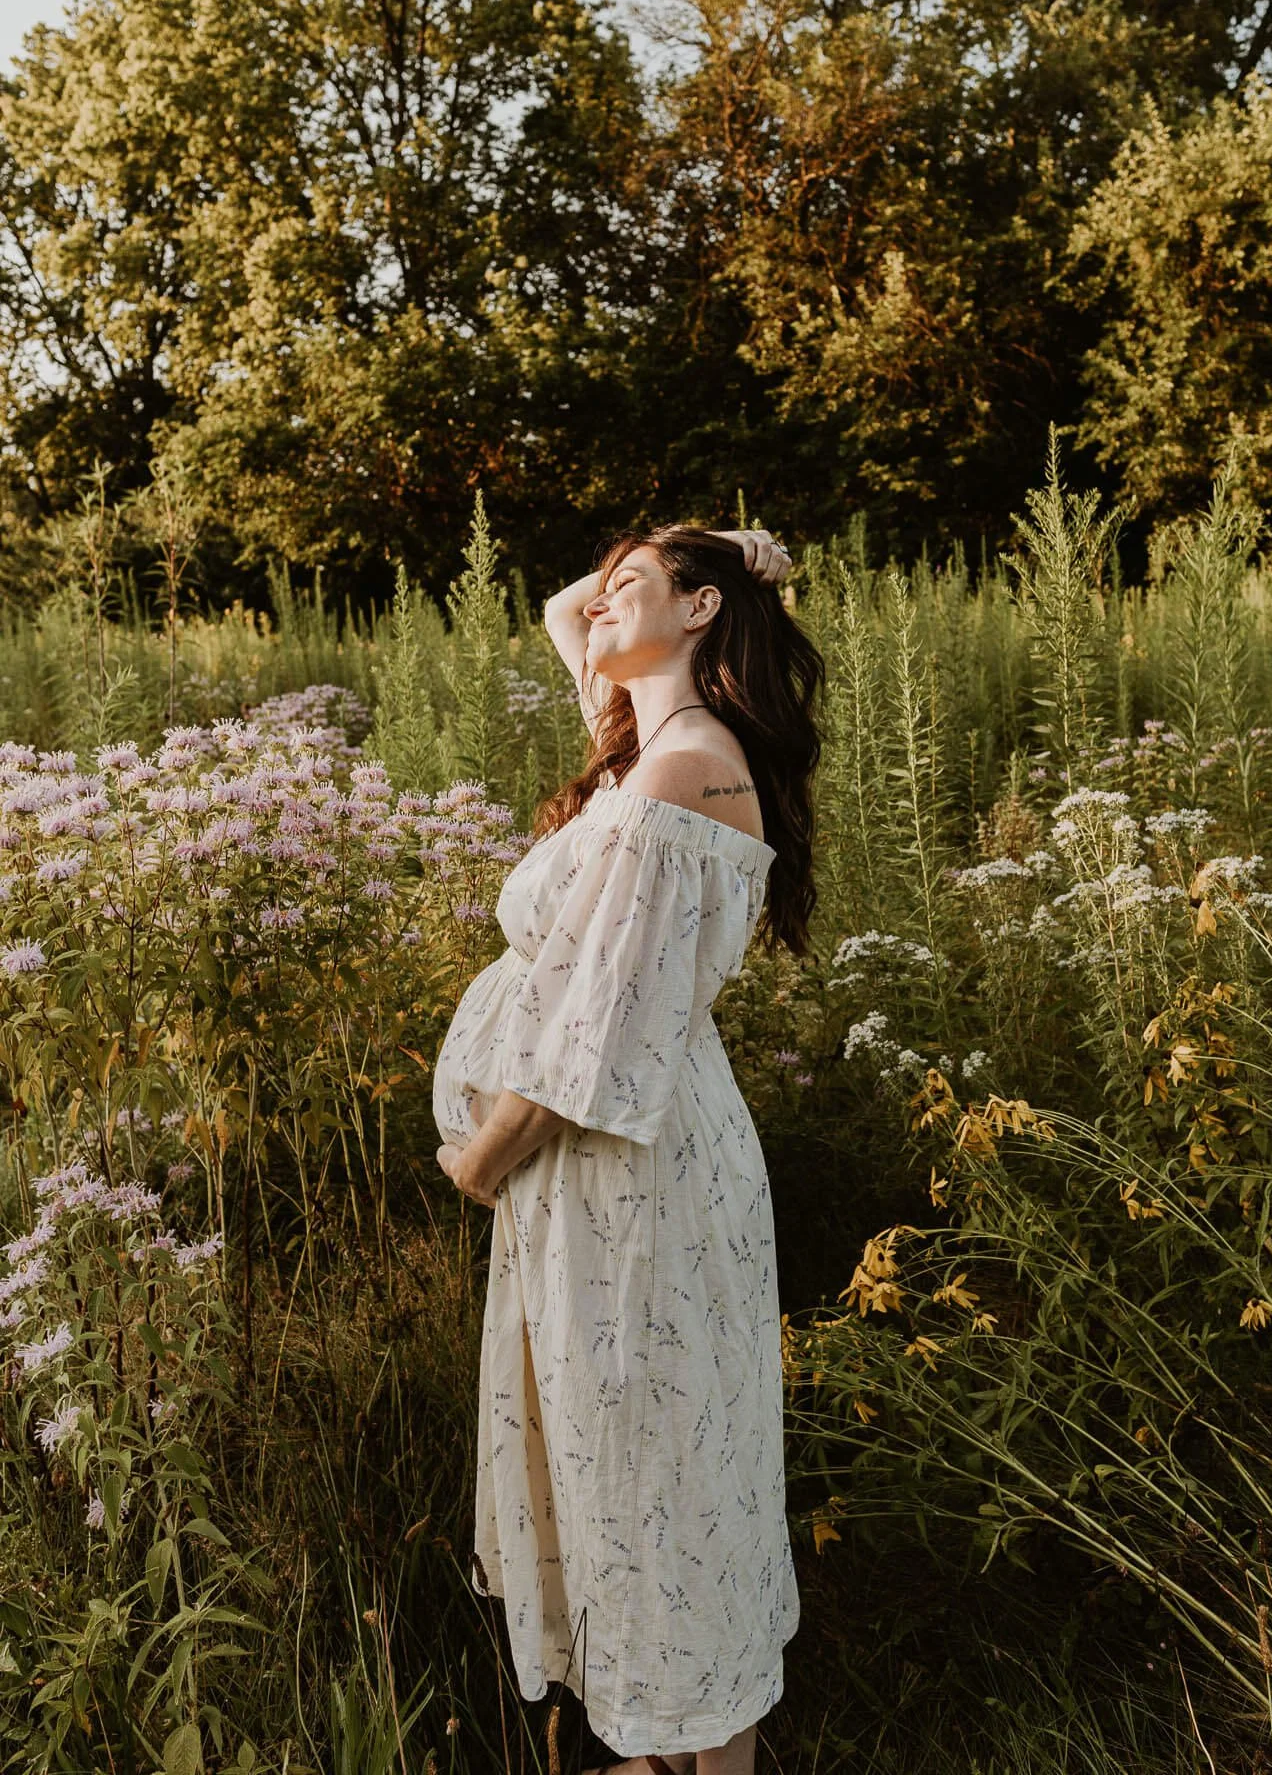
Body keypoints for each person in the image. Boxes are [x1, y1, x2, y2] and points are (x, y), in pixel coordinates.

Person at [432, 524, 823, 1775]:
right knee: (632, 1460)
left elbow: (592, 1035)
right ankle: (664, 1751)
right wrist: (667, 569)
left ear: (703, 609)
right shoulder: (645, 753)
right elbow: (567, 614)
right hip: (601, 1178)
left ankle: (701, 1756)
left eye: (634, 589)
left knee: (664, 1469)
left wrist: (480, 1159)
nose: (597, 608)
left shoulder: (684, 771)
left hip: (629, 1168)